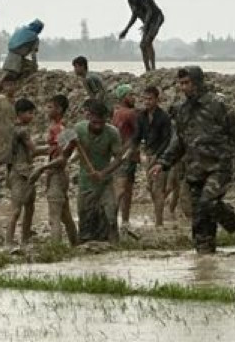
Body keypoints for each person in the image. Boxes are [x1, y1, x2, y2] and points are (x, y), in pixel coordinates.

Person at [151, 66, 235, 254]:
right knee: (200, 218)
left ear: (198, 83)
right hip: (195, 169)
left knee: (208, 202)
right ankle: (205, 259)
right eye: (180, 84)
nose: (183, 87)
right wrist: (163, 163)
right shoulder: (182, 111)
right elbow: (179, 141)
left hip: (219, 166)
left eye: (187, 83)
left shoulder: (217, 105)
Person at [27, 94, 78, 246]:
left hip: (57, 175)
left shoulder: (59, 129)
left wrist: (41, 169)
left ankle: (56, 250)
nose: (46, 110)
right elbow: (55, 149)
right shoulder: (64, 128)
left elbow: (62, 158)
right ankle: (76, 244)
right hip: (59, 175)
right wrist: (38, 151)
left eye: (50, 107)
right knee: (65, 215)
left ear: (59, 109)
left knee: (54, 217)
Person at [72, 99, 125, 243]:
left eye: (101, 123)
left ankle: (114, 247)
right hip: (86, 181)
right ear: (89, 117)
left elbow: (119, 158)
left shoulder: (112, 133)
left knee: (110, 216)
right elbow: (66, 150)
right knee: (85, 218)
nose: (98, 126)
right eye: (95, 123)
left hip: (105, 182)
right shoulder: (78, 129)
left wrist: (103, 173)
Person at [1, 98, 37, 247]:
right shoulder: (22, 130)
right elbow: (33, 149)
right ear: (20, 113)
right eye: (29, 113)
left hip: (18, 171)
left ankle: (22, 240)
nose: (32, 116)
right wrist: (54, 147)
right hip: (20, 172)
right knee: (17, 210)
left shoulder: (12, 129)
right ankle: (11, 242)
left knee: (28, 207)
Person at [137, 86, 173, 226]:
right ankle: (159, 215)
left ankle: (159, 222)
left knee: (158, 189)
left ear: (157, 100)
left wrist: (158, 157)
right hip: (148, 155)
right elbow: (137, 136)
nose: (147, 102)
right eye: (145, 99)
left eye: (150, 99)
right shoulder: (142, 116)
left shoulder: (163, 117)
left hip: (160, 157)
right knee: (151, 188)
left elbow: (167, 139)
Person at [118, 0, 164, 72]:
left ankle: (153, 68)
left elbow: (149, 10)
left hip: (156, 18)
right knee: (143, 45)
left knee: (147, 41)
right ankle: (148, 70)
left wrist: (145, 25)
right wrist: (126, 30)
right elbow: (134, 15)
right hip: (147, 21)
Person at [111, 84, 141, 228]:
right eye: (131, 95)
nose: (134, 98)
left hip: (120, 154)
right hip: (127, 155)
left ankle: (124, 221)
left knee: (127, 189)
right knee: (123, 189)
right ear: (124, 97)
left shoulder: (116, 113)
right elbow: (137, 134)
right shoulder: (130, 113)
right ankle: (115, 219)